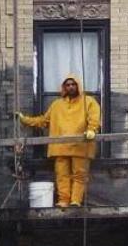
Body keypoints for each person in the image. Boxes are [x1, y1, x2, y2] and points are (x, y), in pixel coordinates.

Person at [16, 74, 101, 208]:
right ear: (64, 87)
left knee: (80, 175)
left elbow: (94, 117)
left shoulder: (88, 101)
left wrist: (92, 129)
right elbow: (43, 120)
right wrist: (24, 119)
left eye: (73, 84)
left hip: (81, 146)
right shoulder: (57, 105)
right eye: (68, 85)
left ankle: (75, 201)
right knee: (62, 175)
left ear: (78, 85)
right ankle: (64, 200)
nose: (71, 87)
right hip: (60, 147)